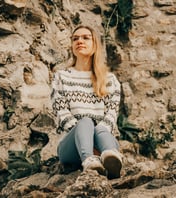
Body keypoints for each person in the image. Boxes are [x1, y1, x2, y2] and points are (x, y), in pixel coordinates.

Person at [51, 25, 122, 179]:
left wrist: (98, 143)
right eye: (75, 38)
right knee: (85, 122)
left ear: (95, 43)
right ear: (71, 45)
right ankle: (89, 161)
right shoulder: (61, 77)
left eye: (85, 37)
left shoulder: (110, 80)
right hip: (72, 147)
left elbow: (111, 116)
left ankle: (111, 158)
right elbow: (61, 114)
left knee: (102, 129)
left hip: (103, 142)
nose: (79, 41)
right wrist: (87, 139)